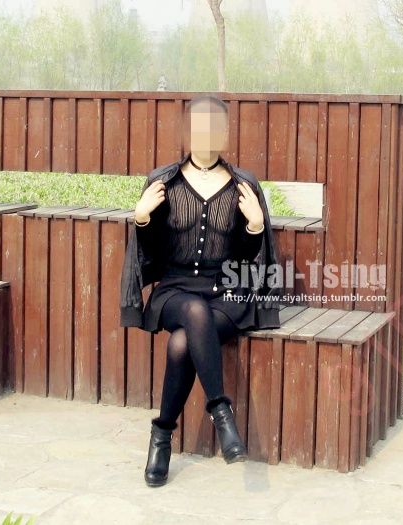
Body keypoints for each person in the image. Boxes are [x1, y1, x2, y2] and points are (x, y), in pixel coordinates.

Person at [129, 94, 275, 487]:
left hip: (226, 295)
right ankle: (221, 412)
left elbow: (246, 256)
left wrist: (255, 226)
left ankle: (161, 436)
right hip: (175, 292)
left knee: (181, 343)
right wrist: (142, 218)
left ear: (225, 132)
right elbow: (153, 251)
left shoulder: (243, 185)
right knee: (193, 312)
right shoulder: (164, 181)